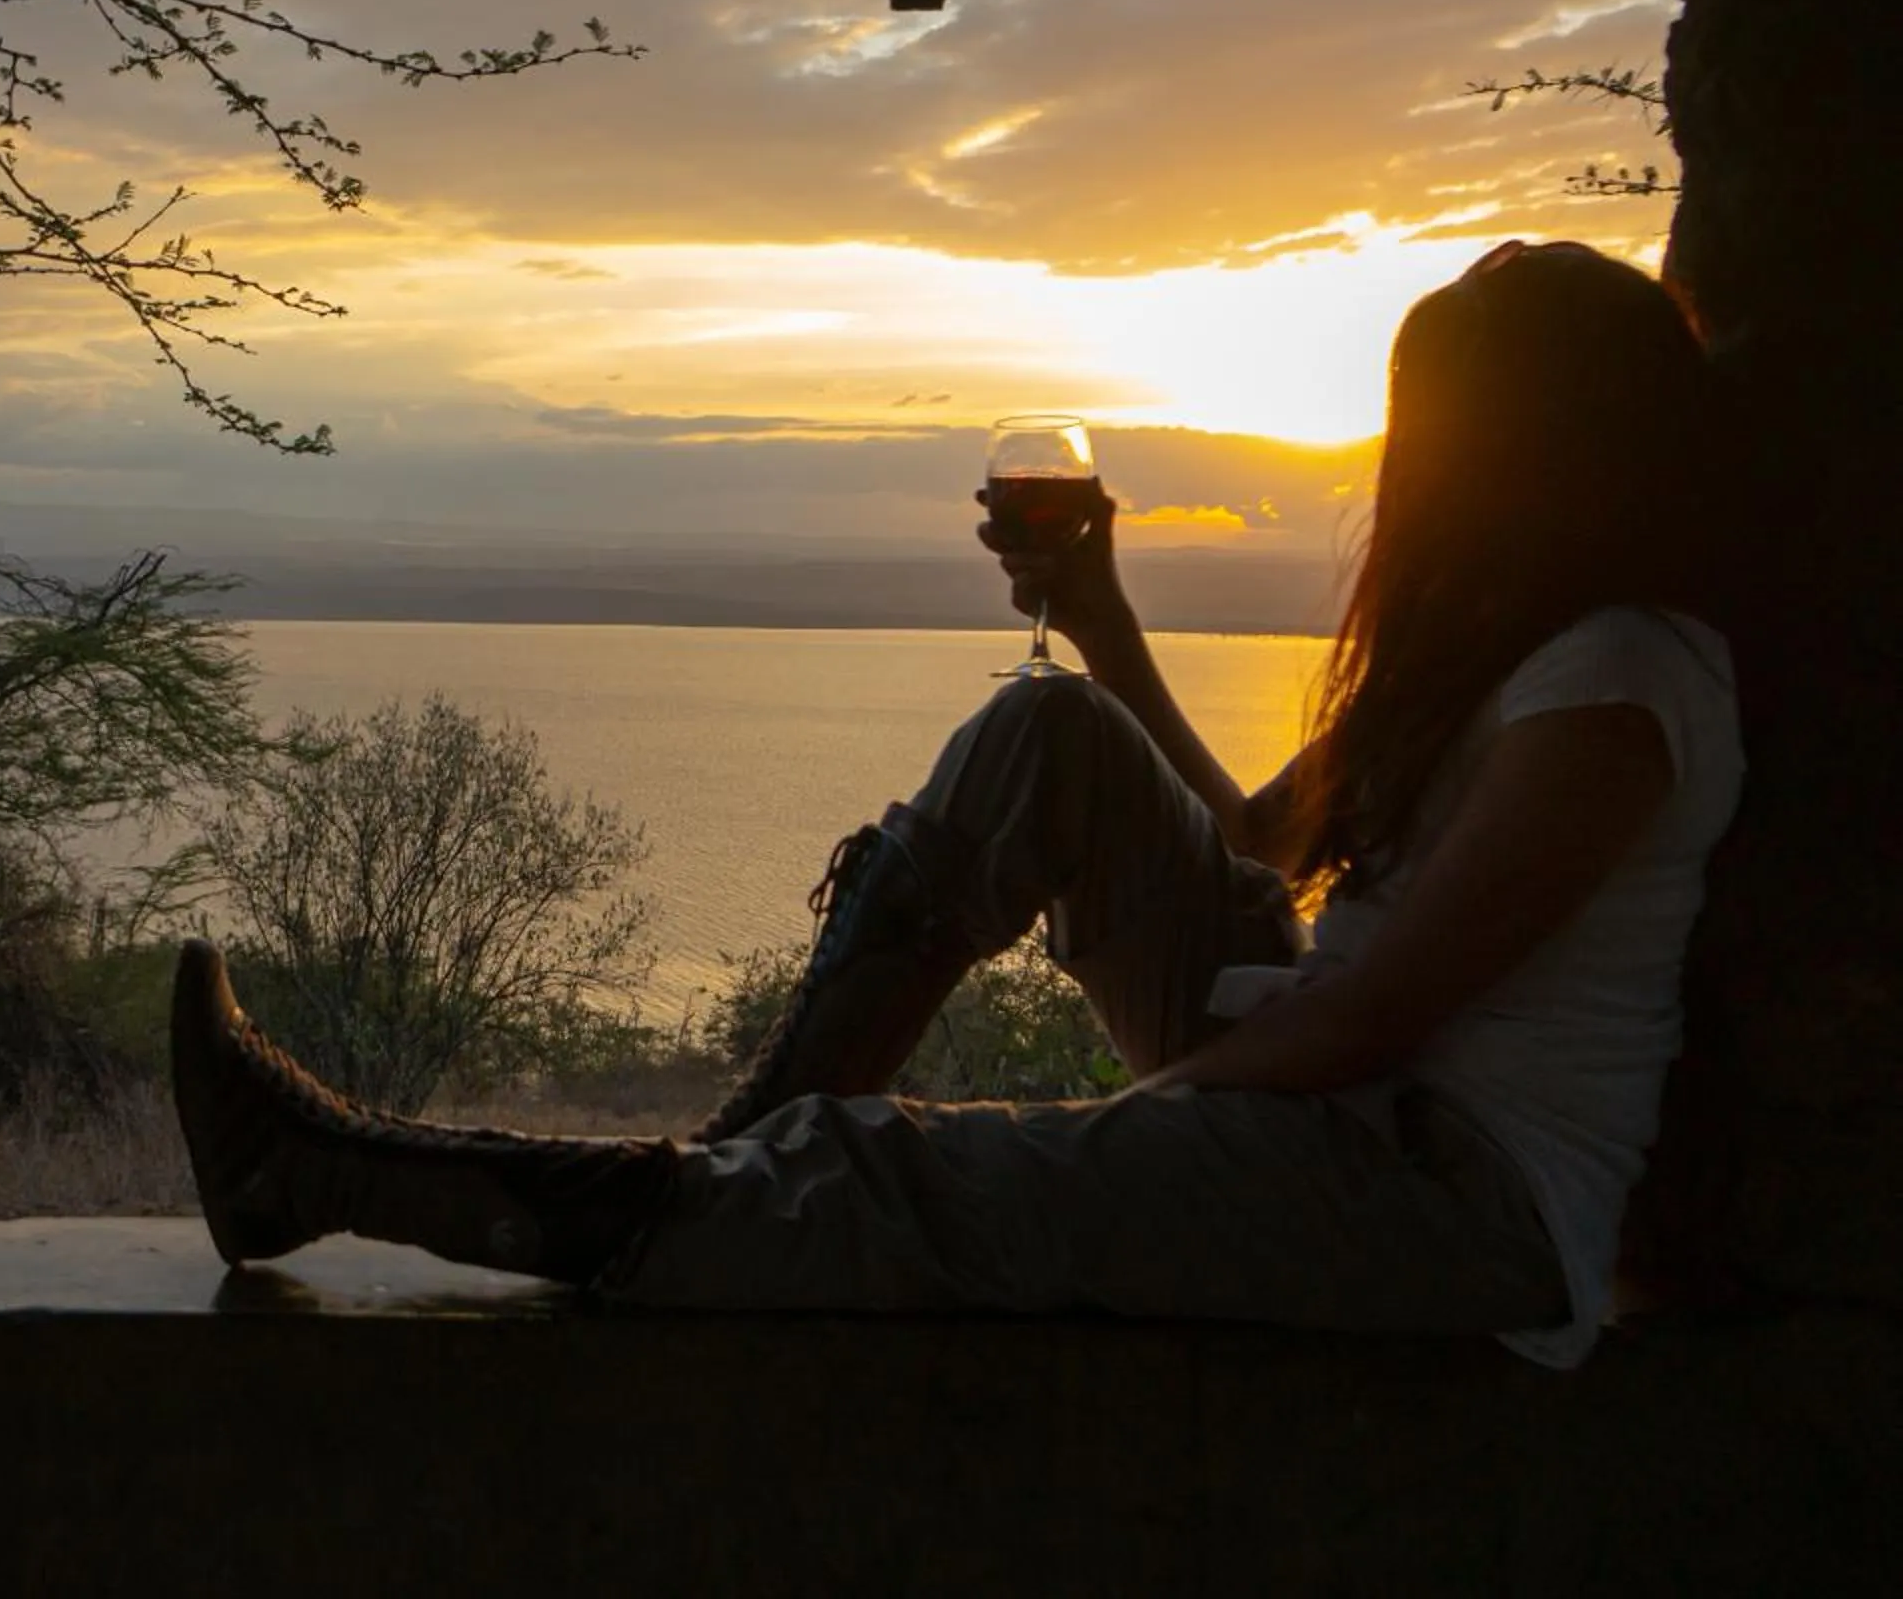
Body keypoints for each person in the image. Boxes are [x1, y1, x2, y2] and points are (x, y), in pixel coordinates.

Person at [171, 240, 1741, 1367]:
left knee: (900, 1178)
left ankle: (328, 1171)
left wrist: (1100, 1142)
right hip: (1331, 1091)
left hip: (1443, 1191)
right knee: (1046, 727)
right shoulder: (1509, 658)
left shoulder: (1615, 690)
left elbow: (1366, 1025)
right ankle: (745, 1147)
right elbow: (1264, 842)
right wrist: (1105, 613)